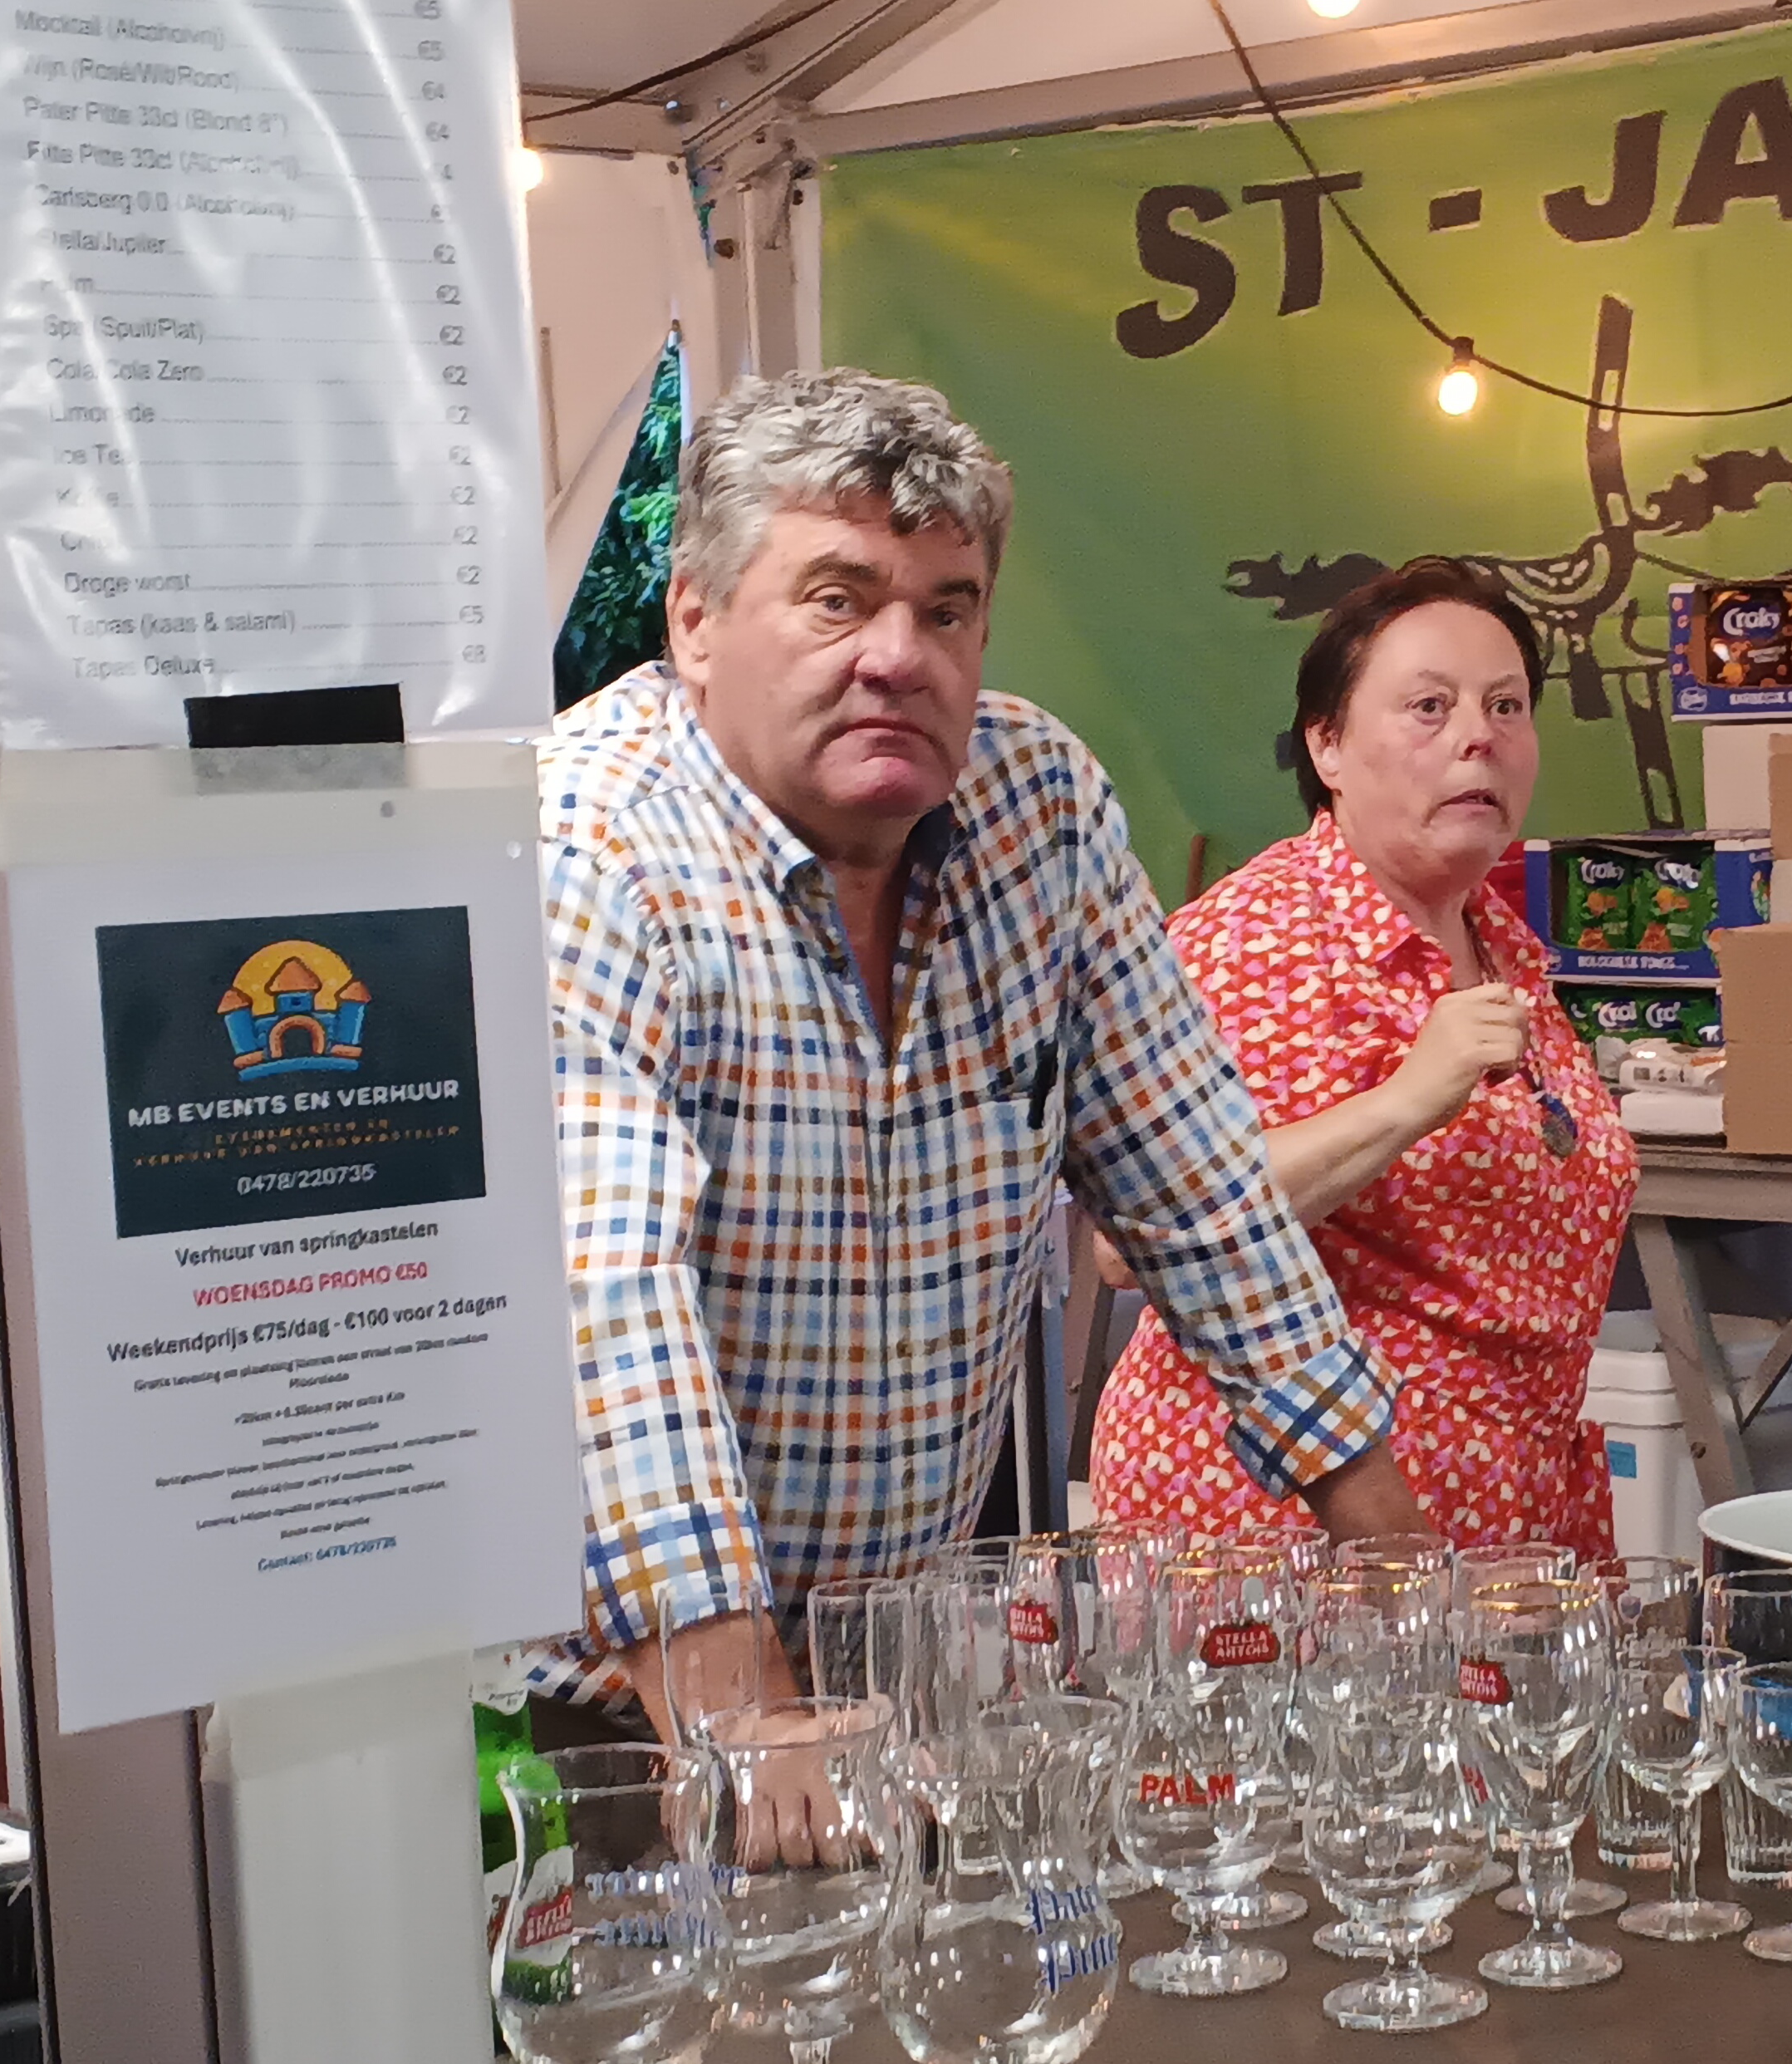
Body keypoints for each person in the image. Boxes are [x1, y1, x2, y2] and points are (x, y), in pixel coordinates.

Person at [536, 368, 1430, 1829]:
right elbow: (604, 1300)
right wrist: (745, 1721)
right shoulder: (586, 845)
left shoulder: (1039, 809)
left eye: (946, 610)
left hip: (899, 1687)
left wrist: (1403, 1568)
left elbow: (1201, 1190)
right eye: (837, 599)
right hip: (610, 1716)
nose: (899, 656)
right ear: (694, 622)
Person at [1087, 557, 1637, 1556]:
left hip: (1500, 1516)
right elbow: (1135, 1240)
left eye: (1506, 706)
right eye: (1429, 706)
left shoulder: (1499, 939)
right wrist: (1405, 1101)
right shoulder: (1252, 942)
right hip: (1282, 1528)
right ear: (1328, 745)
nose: (1478, 735)